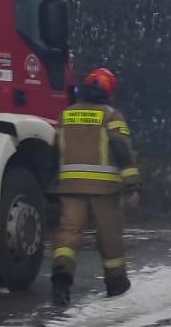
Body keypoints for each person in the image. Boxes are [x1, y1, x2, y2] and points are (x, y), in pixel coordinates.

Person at [50, 67, 138, 306]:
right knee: (109, 236)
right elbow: (121, 149)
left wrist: (50, 184)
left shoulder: (65, 115)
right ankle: (116, 283)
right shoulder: (111, 116)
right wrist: (132, 184)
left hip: (70, 188)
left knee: (68, 234)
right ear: (109, 91)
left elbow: (54, 151)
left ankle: (61, 280)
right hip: (105, 190)